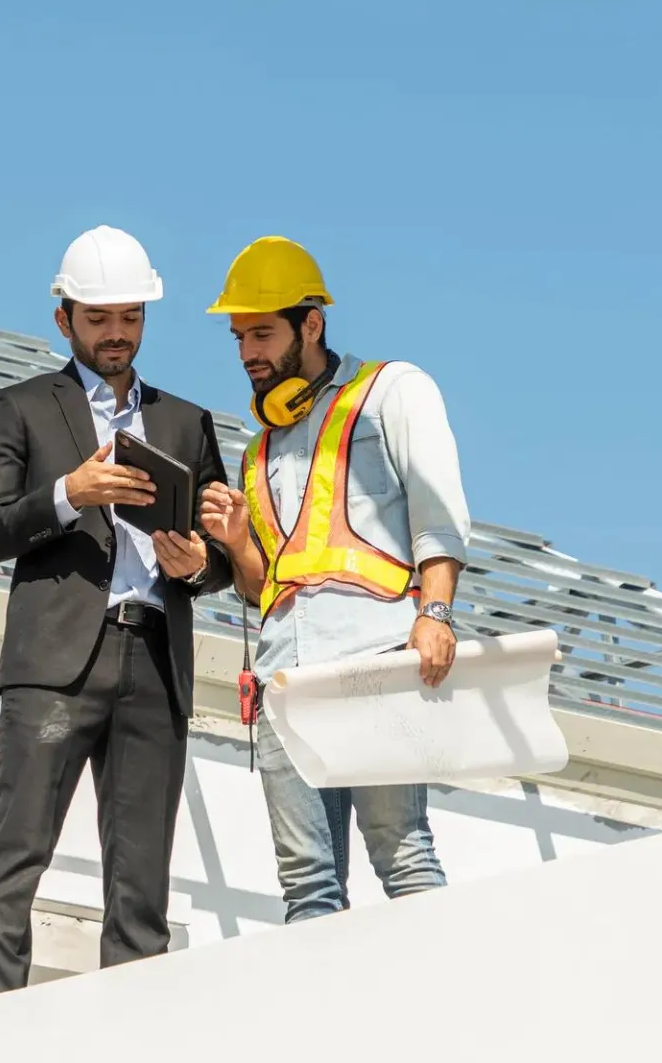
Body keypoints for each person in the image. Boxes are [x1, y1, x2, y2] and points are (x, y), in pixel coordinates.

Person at [0, 224, 235, 997]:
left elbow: (217, 555)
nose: (117, 335)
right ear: (65, 320)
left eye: (131, 318)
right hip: (54, 666)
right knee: (16, 859)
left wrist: (201, 567)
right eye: (100, 319)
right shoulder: (19, 409)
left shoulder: (188, 423)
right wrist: (66, 495)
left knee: (142, 890)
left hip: (155, 664)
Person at [196, 235, 471, 923]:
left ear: (310, 324)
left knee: (402, 854)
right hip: (285, 679)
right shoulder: (257, 448)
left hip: (375, 656)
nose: (247, 352)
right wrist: (234, 542)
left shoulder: (392, 392)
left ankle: (451, 1007)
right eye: (238, 337)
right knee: (308, 889)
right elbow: (265, 589)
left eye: (262, 333)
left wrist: (434, 616)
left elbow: (438, 514)